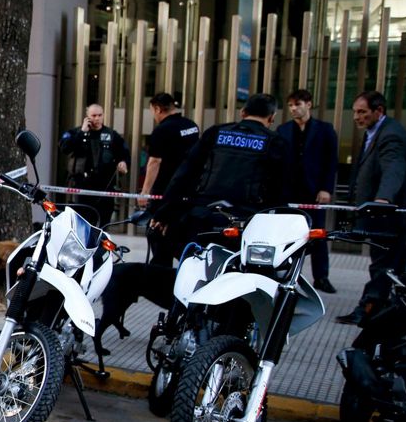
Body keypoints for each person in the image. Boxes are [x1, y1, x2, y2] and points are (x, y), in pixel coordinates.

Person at [152, 93, 290, 263]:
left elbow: (184, 174)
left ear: (243, 112)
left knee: (193, 270)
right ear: (271, 118)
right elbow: (280, 190)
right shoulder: (276, 143)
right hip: (245, 223)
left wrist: (164, 213)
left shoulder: (216, 133)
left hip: (203, 217)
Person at [336, 91, 406, 324]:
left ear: (379, 111)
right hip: (380, 214)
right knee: (394, 260)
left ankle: (367, 310)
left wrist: (383, 200)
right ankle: (387, 307)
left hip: (387, 216)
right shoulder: (376, 132)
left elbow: (394, 168)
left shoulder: (390, 136)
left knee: (383, 263)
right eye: (355, 112)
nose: (356, 117)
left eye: (362, 112)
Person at [277, 89, 339, 293]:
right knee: (288, 235)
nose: (294, 109)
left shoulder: (325, 129)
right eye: (291, 105)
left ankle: (321, 277)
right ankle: (287, 274)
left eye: (298, 104)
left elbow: (331, 163)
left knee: (318, 234)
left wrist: (326, 188)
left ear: (309, 104)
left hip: (314, 192)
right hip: (288, 191)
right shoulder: (283, 130)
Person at [136, 93, 200, 264]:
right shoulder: (191, 126)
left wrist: (145, 192)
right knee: (184, 242)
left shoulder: (162, 130)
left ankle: (160, 280)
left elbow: (154, 162)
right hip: (189, 193)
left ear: (157, 108)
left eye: (153, 111)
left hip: (165, 194)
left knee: (160, 240)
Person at [59, 103, 128, 227]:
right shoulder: (76, 132)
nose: (97, 118)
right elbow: (65, 148)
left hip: (104, 187)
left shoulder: (112, 135)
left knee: (102, 224)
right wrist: (82, 132)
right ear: (87, 116)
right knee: (81, 224)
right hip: (82, 186)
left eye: (100, 115)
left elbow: (123, 153)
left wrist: (123, 163)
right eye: (93, 115)